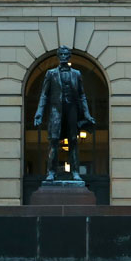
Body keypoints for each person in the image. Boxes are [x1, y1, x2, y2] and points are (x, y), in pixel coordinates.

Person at [33, 45, 95, 181]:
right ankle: (51, 172)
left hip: (72, 112)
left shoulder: (76, 74)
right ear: (58, 56)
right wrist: (39, 113)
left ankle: (75, 172)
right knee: (53, 142)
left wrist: (87, 114)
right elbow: (44, 95)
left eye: (66, 54)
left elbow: (82, 96)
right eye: (61, 54)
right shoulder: (51, 73)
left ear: (69, 56)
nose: (63, 57)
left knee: (73, 141)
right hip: (56, 112)